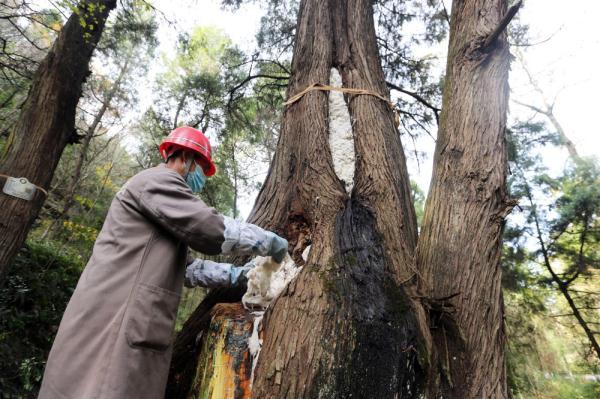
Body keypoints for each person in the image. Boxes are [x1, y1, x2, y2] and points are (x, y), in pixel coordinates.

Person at [38, 126, 288, 399]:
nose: (201, 178)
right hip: (115, 317)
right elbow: (208, 227)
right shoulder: (158, 182)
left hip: (118, 315)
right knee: (100, 387)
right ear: (183, 157)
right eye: (201, 168)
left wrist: (237, 275)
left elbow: (189, 268)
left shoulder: (163, 202)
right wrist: (267, 241)